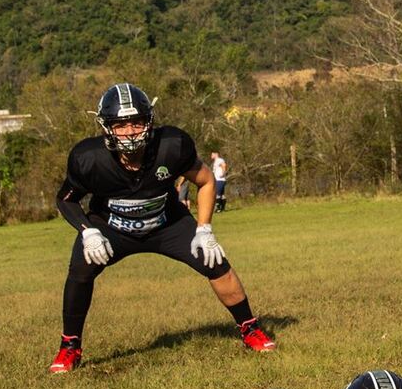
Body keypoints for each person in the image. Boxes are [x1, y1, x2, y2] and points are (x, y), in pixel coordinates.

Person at [50, 83, 275, 374]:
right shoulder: (88, 158)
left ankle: (249, 327)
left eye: (136, 122)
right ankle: (70, 345)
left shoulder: (171, 145)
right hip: (111, 228)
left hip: (167, 222)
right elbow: (65, 199)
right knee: (80, 270)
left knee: (216, 262)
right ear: (106, 128)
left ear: (150, 121)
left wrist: (204, 229)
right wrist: (87, 230)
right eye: (120, 125)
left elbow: (206, 182)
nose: (130, 131)